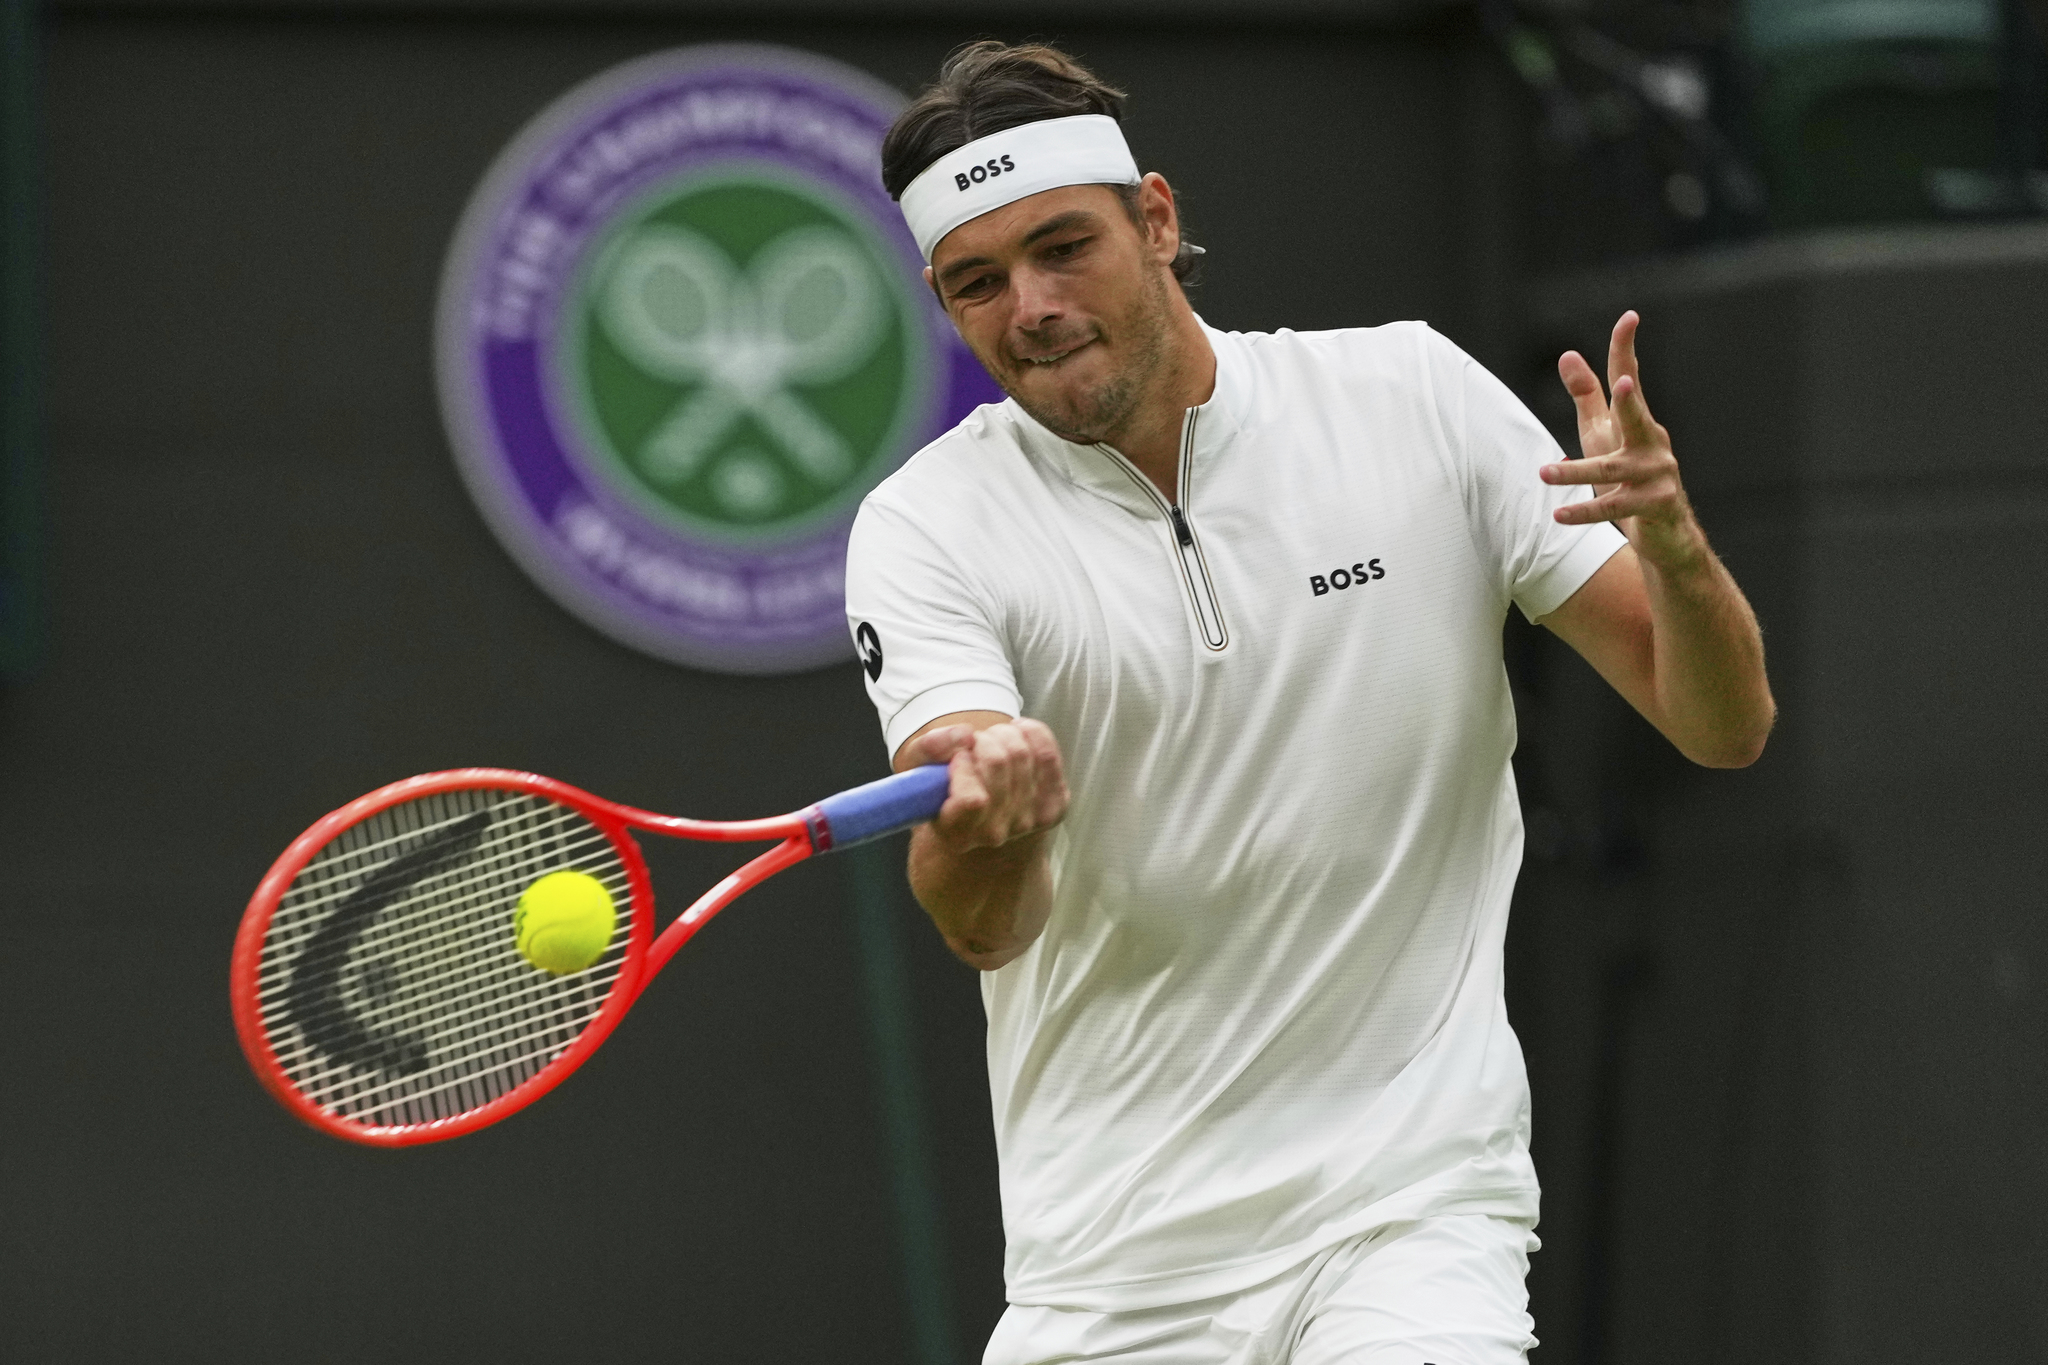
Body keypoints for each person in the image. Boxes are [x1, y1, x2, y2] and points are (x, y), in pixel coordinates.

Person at [844, 40, 1774, 1365]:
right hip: (1115, 1264)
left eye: (1065, 247)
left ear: (1156, 219)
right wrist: (997, 827)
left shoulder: (1415, 399)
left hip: (1410, 1210)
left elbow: (1721, 724)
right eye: (977, 282)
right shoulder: (926, 529)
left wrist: (1678, 563)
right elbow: (987, 926)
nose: (1032, 304)